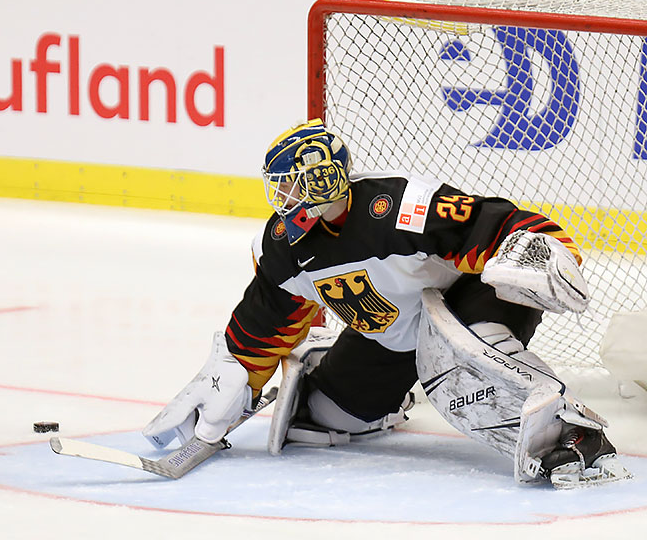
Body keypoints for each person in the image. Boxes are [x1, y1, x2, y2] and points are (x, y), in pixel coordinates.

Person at [143, 118, 631, 489]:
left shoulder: (402, 206)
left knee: (475, 360)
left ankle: (572, 431)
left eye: (294, 184)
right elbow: (266, 320)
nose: (283, 198)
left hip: (466, 300)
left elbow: (496, 222)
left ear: (324, 180)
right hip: (393, 333)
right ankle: (390, 398)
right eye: (280, 187)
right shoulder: (280, 245)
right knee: (325, 418)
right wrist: (234, 369)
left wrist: (539, 250)